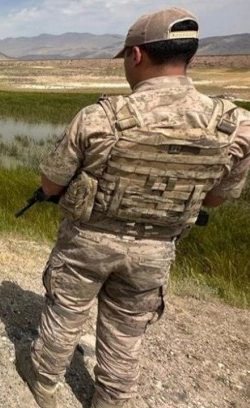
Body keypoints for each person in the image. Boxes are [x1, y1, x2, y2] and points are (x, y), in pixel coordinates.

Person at [15, 7, 250, 408]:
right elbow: (215, 197)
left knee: (66, 313)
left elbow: (51, 183)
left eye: (125, 56)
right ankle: (111, 399)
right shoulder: (234, 125)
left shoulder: (99, 118)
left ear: (136, 55)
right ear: (188, 56)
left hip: (86, 242)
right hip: (156, 250)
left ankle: (45, 383)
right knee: (126, 333)